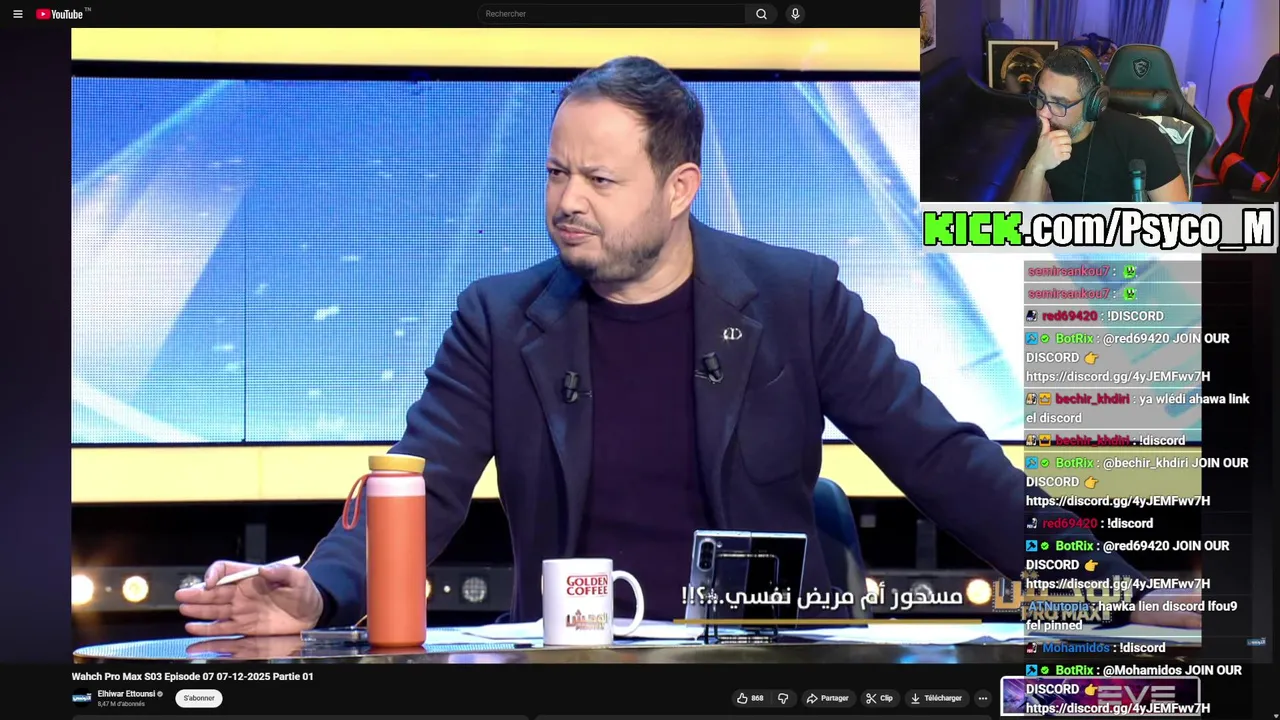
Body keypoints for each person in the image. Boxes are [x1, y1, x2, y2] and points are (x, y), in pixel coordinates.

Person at [176, 56, 1201, 636]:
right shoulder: (497, 319)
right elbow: (420, 486)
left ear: (679, 189)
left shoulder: (797, 300)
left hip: (756, 676)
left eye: (599, 180)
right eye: (554, 173)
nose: (566, 202)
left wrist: (1112, 583)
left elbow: (942, 461)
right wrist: (316, 591)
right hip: (575, 679)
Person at [1008, 46, 1189, 203]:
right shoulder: (1043, 134)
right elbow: (1011, 225)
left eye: (1059, 103)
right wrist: (1037, 165)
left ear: (1093, 104)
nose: (1043, 113)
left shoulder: (1143, 140)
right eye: (1041, 97)